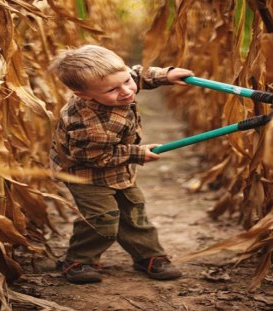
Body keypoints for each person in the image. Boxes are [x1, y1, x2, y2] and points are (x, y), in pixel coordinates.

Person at [49, 44, 193, 284]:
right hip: (86, 175)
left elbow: (136, 73)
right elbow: (95, 157)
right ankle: (78, 261)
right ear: (84, 94)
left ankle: (149, 256)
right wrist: (136, 153)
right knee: (102, 220)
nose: (126, 91)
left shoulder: (115, 83)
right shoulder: (89, 124)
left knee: (135, 211)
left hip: (118, 170)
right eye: (113, 90)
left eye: (126, 81)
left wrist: (165, 75)